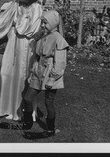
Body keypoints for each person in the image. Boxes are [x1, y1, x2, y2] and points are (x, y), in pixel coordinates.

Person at [0, 0, 43, 122]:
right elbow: (2, 20)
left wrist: (16, 23)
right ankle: (6, 109)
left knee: (23, 75)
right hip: (13, 43)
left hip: (27, 46)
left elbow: (29, 29)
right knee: (6, 73)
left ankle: (23, 110)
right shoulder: (15, 5)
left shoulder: (36, 8)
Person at [22, 10, 69, 139]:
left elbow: (60, 62)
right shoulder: (43, 36)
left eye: (45, 22)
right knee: (27, 98)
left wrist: (52, 79)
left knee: (49, 102)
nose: (42, 25)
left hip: (50, 74)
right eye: (42, 22)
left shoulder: (59, 39)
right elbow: (38, 56)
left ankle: (50, 129)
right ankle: (28, 122)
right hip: (39, 71)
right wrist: (33, 72)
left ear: (54, 23)